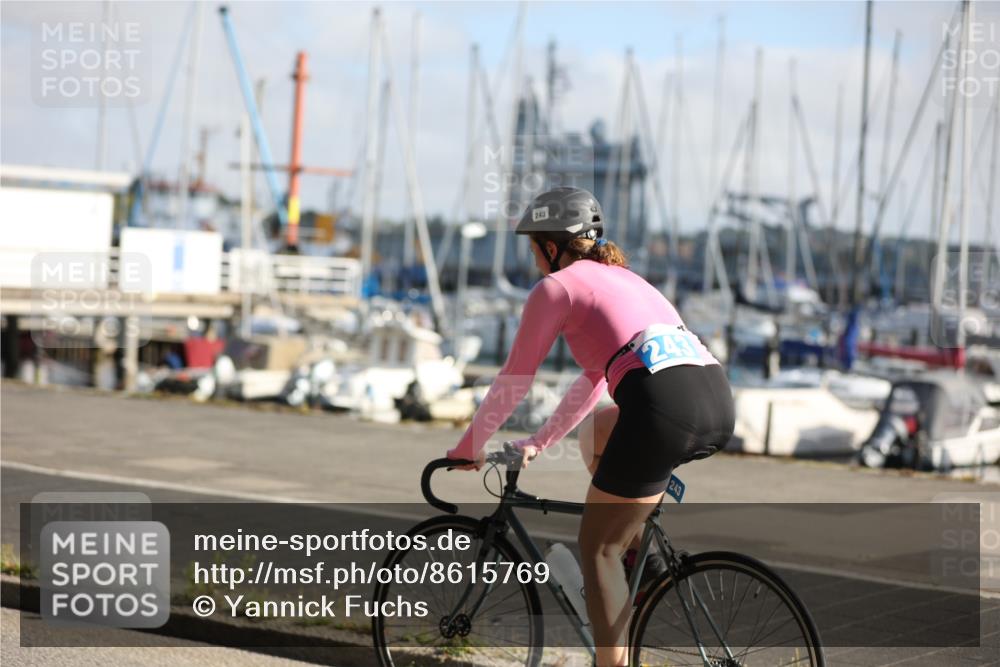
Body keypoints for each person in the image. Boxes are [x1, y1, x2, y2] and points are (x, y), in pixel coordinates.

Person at [447, 186, 735, 667]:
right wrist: (539, 442)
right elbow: (593, 380)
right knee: (599, 432)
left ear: (551, 246)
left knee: (595, 546)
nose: (534, 259)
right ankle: (645, 565)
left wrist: (469, 445)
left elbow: (516, 379)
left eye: (534, 246)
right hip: (716, 401)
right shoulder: (628, 279)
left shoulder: (556, 288)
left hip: (663, 409)